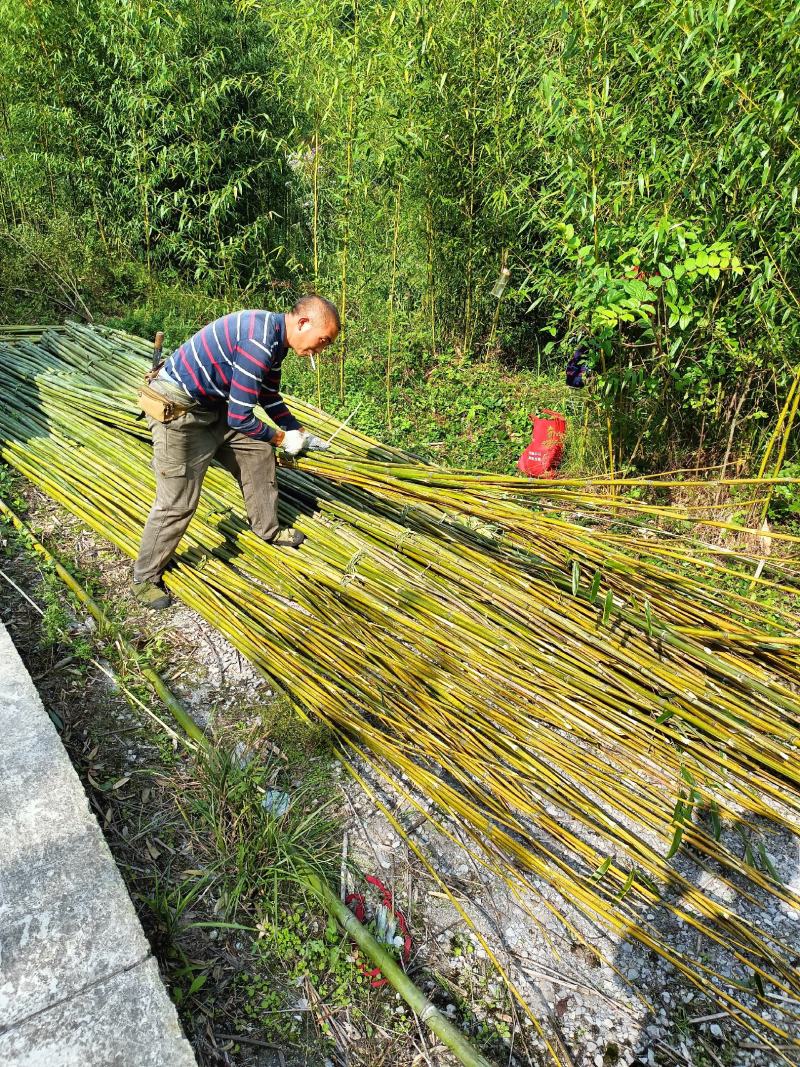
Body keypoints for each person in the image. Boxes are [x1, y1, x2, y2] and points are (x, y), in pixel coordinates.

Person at [132, 294, 340, 610]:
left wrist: (299, 431)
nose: (320, 350)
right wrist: (283, 439)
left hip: (212, 406)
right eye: (322, 341)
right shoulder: (259, 342)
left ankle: (267, 529)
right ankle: (144, 578)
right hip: (180, 413)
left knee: (257, 451)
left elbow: (268, 396)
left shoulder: (275, 340)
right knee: (178, 500)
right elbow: (240, 417)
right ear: (303, 322)